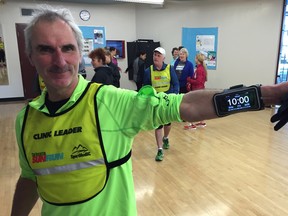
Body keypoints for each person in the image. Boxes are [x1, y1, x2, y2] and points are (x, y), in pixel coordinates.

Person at [10, 5, 288, 216]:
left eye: (67, 48)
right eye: (46, 49)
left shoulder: (109, 102)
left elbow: (187, 104)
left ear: (78, 52)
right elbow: (30, 178)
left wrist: (269, 94)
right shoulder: (25, 120)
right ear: (30, 55)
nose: (60, 60)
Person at [143, 47, 179, 161]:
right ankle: (159, 150)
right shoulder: (148, 71)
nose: (155, 57)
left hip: (168, 101)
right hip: (156, 102)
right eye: (154, 55)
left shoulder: (170, 69)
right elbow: (146, 87)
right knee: (158, 125)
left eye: (158, 55)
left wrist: (174, 96)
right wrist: (148, 99)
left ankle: (166, 137)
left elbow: (176, 84)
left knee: (167, 124)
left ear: (163, 58)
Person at [184, 53, 208, 129]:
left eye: (195, 58)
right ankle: (201, 122)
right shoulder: (200, 68)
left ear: (197, 59)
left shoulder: (199, 70)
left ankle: (192, 124)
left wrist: (189, 80)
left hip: (197, 90)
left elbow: (198, 81)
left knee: (192, 107)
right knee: (199, 107)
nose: (194, 59)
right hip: (199, 90)